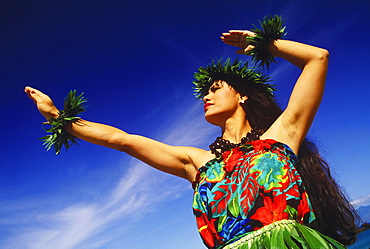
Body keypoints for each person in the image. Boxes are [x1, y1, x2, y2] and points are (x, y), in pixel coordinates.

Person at [25, 27, 360, 248]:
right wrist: (59, 118)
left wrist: (261, 43)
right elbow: (122, 139)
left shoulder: (282, 135)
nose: (206, 97)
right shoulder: (197, 163)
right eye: (205, 93)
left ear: (242, 95)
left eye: (216, 89)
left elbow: (317, 58)